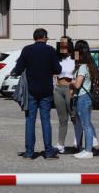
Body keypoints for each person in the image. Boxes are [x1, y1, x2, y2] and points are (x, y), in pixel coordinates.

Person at [11, 28, 62, 160]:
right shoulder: (50, 50)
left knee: (30, 120)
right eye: (47, 37)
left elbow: (18, 69)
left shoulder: (27, 50)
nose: (47, 39)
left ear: (34, 37)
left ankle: (29, 152)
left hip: (31, 91)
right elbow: (58, 69)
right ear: (44, 37)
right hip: (46, 90)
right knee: (46, 120)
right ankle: (49, 151)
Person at [71, 39, 99, 159]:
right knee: (86, 124)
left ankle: (88, 150)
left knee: (86, 125)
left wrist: (69, 81)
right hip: (86, 97)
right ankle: (87, 148)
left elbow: (78, 84)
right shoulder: (90, 65)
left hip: (83, 98)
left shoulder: (83, 67)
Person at [53, 37, 75, 153]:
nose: (62, 46)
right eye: (60, 43)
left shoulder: (75, 55)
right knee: (62, 119)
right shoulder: (58, 57)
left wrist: (74, 86)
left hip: (69, 88)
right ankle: (60, 144)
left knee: (74, 116)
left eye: (64, 43)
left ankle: (78, 143)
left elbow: (80, 68)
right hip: (58, 88)